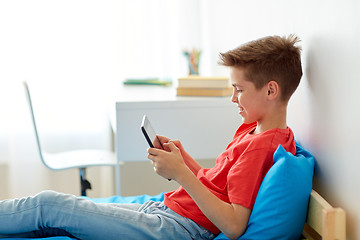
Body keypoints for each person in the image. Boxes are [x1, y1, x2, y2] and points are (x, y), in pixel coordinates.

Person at [0, 34, 302, 240]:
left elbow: (234, 225)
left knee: (49, 205)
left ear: (271, 90)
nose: (233, 98)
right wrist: (187, 162)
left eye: (239, 90)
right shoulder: (255, 131)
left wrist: (181, 174)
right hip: (167, 210)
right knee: (54, 218)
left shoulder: (261, 146)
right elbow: (220, 186)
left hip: (176, 228)